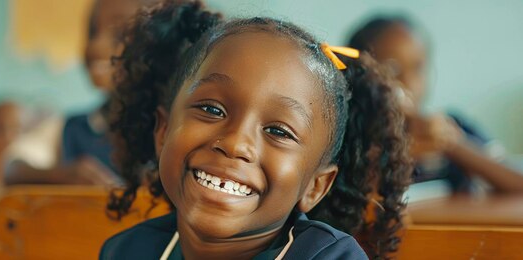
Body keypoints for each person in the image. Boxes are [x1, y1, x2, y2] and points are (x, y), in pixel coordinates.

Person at [101, 2, 413, 258]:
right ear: (163, 131)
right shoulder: (126, 250)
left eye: (279, 131)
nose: (236, 143)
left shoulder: (331, 258)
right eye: (212, 109)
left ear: (316, 186)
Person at [347, 16, 523, 193]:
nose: (408, 82)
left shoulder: (454, 126)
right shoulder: (353, 136)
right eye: (392, 70)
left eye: (417, 67)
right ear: (359, 74)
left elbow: (517, 182)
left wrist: (450, 143)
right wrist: (405, 152)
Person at [3, 0, 146, 186]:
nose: (95, 46)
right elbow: (12, 167)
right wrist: (59, 176)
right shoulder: (72, 127)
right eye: (92, 33)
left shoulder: (177, 126)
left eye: (119, 34)